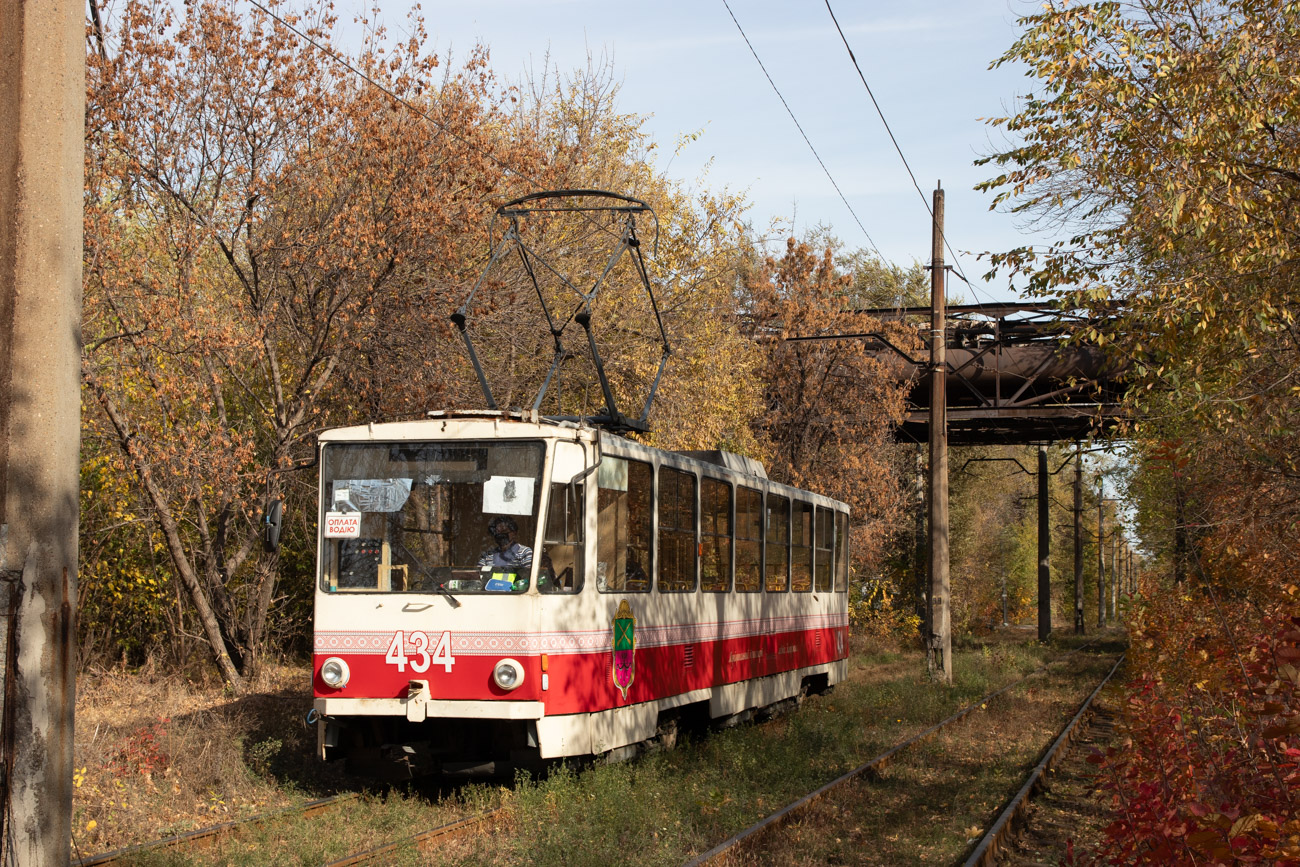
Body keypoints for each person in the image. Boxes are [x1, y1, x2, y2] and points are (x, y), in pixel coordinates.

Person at [477, 516, 532, 587]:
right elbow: (478, 576)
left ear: (514, 533)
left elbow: (528, 577)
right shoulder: (488, 555)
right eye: (497, 532)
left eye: (504, 532)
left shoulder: (525, 552)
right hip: (490, 592)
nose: (500, 535)